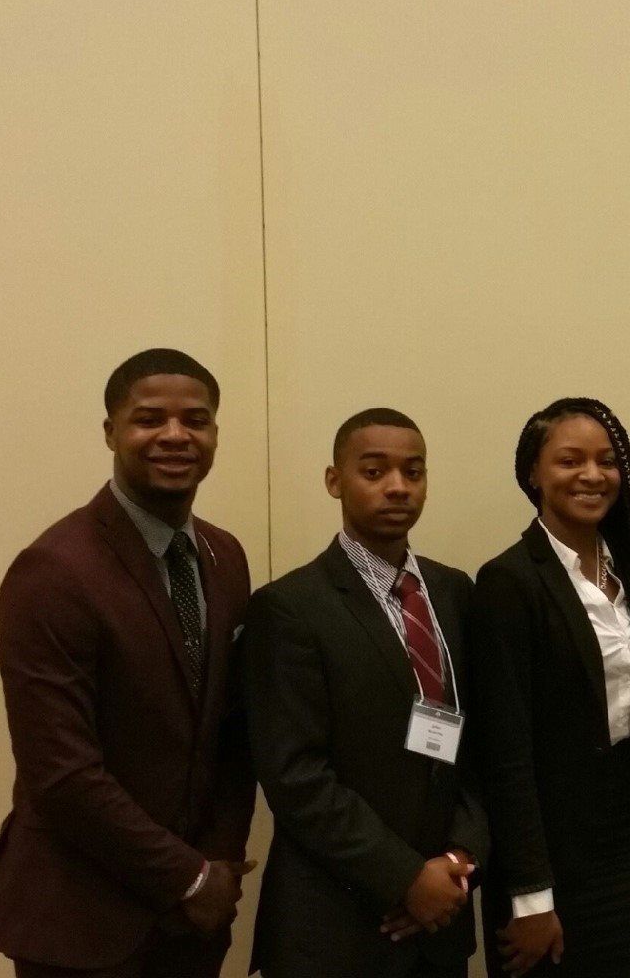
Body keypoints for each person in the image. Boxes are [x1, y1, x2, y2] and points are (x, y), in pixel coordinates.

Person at [0, 348, 257, 977]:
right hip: (81, 921)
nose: (175, 435)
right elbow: (61, 772)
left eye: (196, 420)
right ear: (110, 431)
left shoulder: (225, 556)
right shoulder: (54, 570)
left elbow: (233, 731)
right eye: (149, 419)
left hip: (192, 928)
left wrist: (218, 866)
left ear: (215, 433)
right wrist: (187, 876)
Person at [242, 408, 487, 978]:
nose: (397, 486)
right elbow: (295, 776)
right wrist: (406, 878)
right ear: (335, 481)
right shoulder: (289, 607)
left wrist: (458, 860)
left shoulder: (454, 591)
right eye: (374, 472)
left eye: (413, 472)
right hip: (335, 925)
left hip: (440, 922)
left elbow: (479, 746)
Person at [469, 398, 630, 977]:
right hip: (550, 866)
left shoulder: (628, 573)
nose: (592, 475)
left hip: (629, 851)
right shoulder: (509, 581)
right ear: (533, 474)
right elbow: (505, 752)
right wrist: (530, 896)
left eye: (606, 461)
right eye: (570, 460)